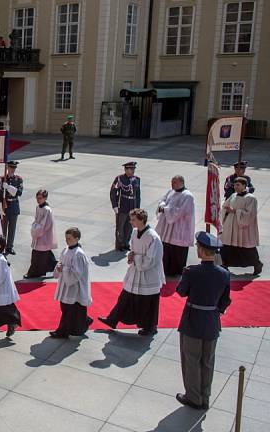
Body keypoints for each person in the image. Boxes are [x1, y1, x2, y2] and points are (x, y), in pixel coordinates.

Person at [175, 231, 231, 410]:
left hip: (193, 320)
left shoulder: (192, 272)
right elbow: (225, 300)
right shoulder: (224, 274)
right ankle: (205, 396)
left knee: (191, 359)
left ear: (201, 250)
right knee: (207, 361)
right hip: (212, 321)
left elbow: (181, 291)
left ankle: (193, 397)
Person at [99, 208, 165, 335]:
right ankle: (112, 319)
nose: (130, 222)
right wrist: (131, 256)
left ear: (142, 220)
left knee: (148, 302)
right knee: (125, 297)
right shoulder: (135, 232)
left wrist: (136, 258)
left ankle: (150, 327)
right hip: (135, 271)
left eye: (133, 219)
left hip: (148, 275)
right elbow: (133, 250)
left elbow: (152, 260)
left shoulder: (153, 237)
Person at [50, 227, 92, 338]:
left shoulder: (78, 254)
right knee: (70, 308)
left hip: (74, 287)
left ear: (77, 239)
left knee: (68, 309)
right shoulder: (66, 249)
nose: (67, 241)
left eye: (69, 238)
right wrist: (59, 266)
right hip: (65, 284)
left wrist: (62, 269)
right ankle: (84, 321)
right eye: (66, 238)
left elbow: (76, 274)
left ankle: (62, 331)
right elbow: (61, 262)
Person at [220, 177, 262, 276]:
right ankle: (224, 265)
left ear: (244, 185)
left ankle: (257, 264)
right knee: (227, 246)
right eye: (235, 185)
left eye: (238, 185)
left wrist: (235, 211)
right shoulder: (233, 195)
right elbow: (225, 206)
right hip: (231, 225)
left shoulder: (251, 198)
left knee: (246, 248)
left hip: (243, 228)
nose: (236, 187)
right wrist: (226, 209)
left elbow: (250, 214)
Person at [156, 175, 196, 276]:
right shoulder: (171, 191)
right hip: (167, 228)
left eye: (174, 182)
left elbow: (180, 212)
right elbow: (163, 200)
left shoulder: (187, 196)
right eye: (172, 182)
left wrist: (165, 209)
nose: (172, 184)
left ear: (181, 183)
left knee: (176, 252)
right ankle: (165, 270)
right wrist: (162, 205)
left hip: (179, 228)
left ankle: (176, 271)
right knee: (166, 250)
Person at [26, 189, 58, 278]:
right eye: (37, 198)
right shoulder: (38, 207)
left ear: (45, 198)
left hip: (44, 235)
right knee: (44, 254)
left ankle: (33, 272)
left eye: (40, 198)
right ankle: (56, 266)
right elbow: (36, 220)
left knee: (38, 254)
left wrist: (37, 230)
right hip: (38, 234)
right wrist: (34, 227)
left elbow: (46, 225)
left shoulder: (47, 210)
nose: (38, 200)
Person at [110, 162, 141, 251]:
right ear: (126, 169)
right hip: (123, 205)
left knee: (130, 226)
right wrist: (115, 206)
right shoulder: (119, 179)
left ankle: (126, 243)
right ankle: (120, 244)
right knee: (120, 226)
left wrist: (137, 208)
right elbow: (113, 192)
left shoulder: (137, 179)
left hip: (133, 206)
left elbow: (138, 195)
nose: (133, 171)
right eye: (131, 169)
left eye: (134, 169)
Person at [0, 161, 23, 255]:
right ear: (7, 168)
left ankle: (9, 247)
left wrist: (8, 187)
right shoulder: (2, 178)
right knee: (3, 228)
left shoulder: (18, 179)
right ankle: (2, 246)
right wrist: (0, 207)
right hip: (5, 205)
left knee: (12, 228)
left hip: (14, 205)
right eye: (11, 168)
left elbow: (19, 192)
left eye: (14, 168)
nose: (12, 169)